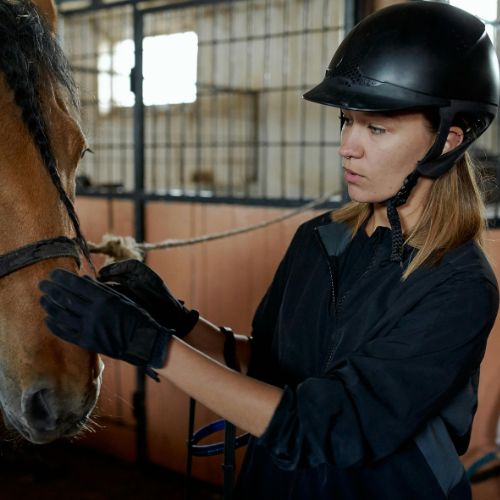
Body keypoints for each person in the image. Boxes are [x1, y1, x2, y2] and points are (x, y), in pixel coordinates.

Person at [39, 2, 500, 499]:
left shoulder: (459, 284)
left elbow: (331, 425)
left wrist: (153, 348)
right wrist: (176, 321)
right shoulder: (321, 239)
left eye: (377, 128)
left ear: (448, 140)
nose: (348, 145)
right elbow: (268, 370)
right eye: (347, 121)